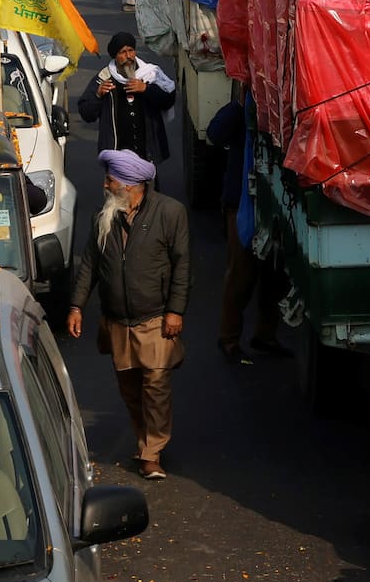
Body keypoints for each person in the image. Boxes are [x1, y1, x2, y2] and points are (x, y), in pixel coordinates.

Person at [64, 150, 190, 480]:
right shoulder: (104, 216)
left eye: (111, 180)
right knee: (131, 390)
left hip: (156, 320)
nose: (105, 185)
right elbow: (89, 265)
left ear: (133, 185)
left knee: (156, 386)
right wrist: (76, 306)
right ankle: (144, 440)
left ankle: (152, 452)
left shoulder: (171, 213)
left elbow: (182, 266)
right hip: (118, 321)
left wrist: (175, 310)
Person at [206, 94, 285, 362]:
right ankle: (229, 339)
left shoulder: (277, 110)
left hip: (272, 202)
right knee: (241, 274)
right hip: (240, 203)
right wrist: (240, 107)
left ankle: (265, 334)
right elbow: (215, 133)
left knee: (274, 274)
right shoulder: (240, 110)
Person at [79, 33, 174, 161]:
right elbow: (87, 114)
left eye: (131, 51)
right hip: (117, 156)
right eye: (123, 52)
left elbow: (168, 100)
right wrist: (98, 95)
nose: (128, 56)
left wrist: (146, 89)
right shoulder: (104, 78)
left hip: (146, 155)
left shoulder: (150, 74)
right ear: (115, 56)